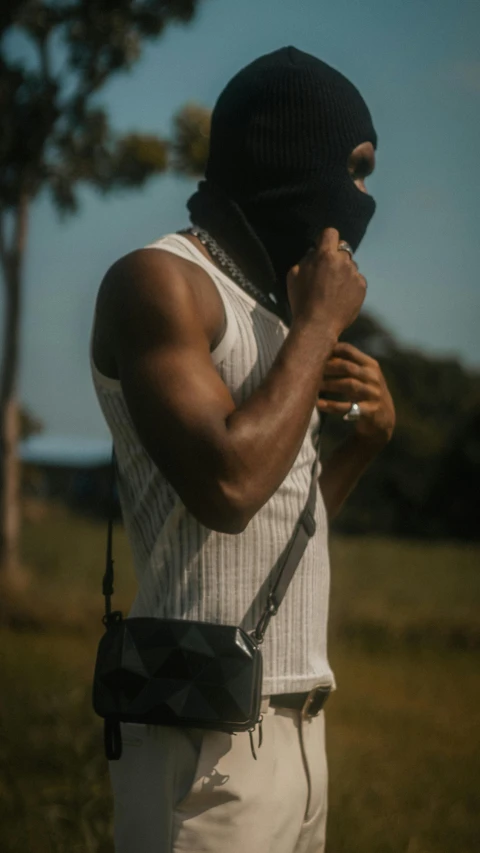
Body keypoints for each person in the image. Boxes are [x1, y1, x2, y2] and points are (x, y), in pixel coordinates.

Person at [89, 45, 395, 853]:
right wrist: (321, 325)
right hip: (205, 736)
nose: (364, 200)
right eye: (355, 169)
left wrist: (362, 442)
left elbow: (275, 520)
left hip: (297, 731)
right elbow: (228, 487)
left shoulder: (274, 313)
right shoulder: (159, 281)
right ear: (292, 160)